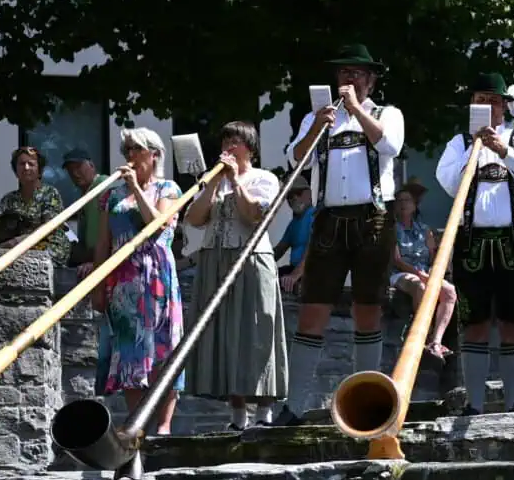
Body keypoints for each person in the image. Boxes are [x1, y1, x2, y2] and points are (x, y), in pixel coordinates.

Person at [283, 44, 406, 419]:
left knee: (367, 309)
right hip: (329, 219)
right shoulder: (317, 117)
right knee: (312, 310)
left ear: (370, 80)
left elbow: (390, 145)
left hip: (374, 219)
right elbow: (295, 158)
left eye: (356, 73)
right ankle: (295, 406)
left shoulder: (388, 113)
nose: (348, 79)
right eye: (342, 73)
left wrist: (355, 110)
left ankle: (365, 404)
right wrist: (318, 127)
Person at [436, 72, 514, 413]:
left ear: (504, 107)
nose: (486, 106)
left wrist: (504, 151)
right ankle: (475, 403)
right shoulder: (458, 143)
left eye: (493, 101)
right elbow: (449, 184)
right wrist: (474, 147)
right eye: (480, 100)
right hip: (472, 242)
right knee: (474, 322)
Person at [180, 121, 289, 430]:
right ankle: (237, 414)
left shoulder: (264, 178)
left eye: (235, 141)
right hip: (215, 259)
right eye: (225, 139)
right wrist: (214, 182)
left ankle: (264, 412)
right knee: (224, 333)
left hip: (251, 258)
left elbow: (254, 216)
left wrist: (235, 180)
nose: (228, 145)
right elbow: (196, 219)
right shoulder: (212, 180)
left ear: (249, 148)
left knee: (256, 332)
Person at [89, 127, 185, 433]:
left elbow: (157, 225)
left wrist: (136, 186)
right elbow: (102, 242)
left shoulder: (169, 189)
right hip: (123, 280)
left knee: (164, 348)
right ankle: (137, 423)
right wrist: (97, 283)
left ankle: (164, 426)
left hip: (157, 276)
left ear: (154, 155)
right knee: (130, 351)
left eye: (136, 149)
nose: (130, 156)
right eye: (126, 150)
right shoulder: (112, 195)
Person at [386, 180, 457, 365]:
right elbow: (397, 260)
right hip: (401, 274)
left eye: (407, 200)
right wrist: (420, 274)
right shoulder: (391, 229)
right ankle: (423, 336)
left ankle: (437, 340)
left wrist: (433, 271)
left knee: (449, 292)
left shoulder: (425, 231)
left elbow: (433, 257)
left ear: (415, 205)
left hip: (425, 272)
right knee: (420, 287)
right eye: (399, 200)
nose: (403, 204)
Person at [0, 145, 65, 258]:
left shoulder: (50, 193)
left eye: (31, 164)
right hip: (19, 248)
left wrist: (14, 243)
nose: (26, 168)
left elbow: (48, 228)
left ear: (39, 171)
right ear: (16, 171)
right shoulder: (10, 198)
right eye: (21, 164)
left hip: (48, 247)